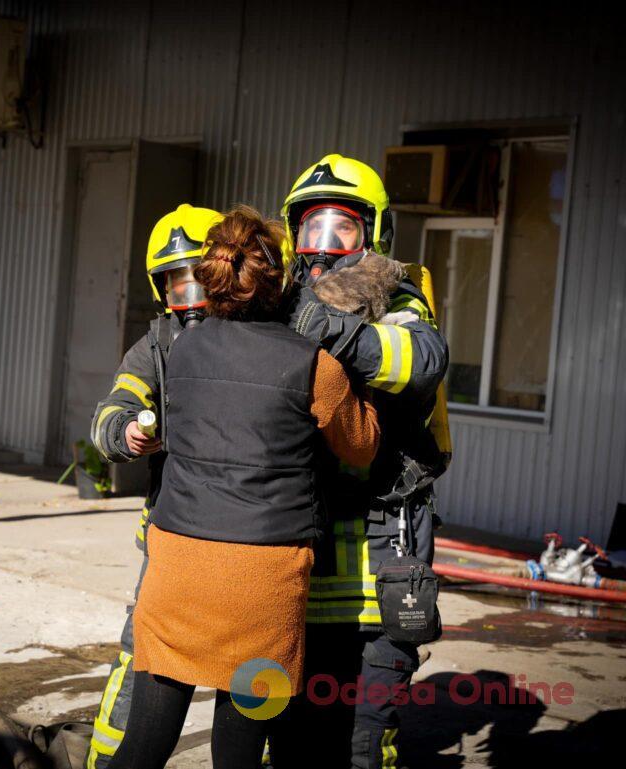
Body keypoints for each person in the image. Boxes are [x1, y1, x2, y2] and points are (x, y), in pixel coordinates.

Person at [105, 205, 380, 769]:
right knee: (239, 751)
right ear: (280, 284)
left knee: (144, 742)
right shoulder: (314, 365)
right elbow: (361, 447)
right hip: (264, 582)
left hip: (177, 566)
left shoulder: (178, 351)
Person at [274, 154, 451, 769]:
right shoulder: (283, 300)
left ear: (372, 234)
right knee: (291, 737)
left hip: (382, 544)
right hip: (303, 544)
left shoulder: (398, 297)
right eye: (309, 226)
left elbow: (422, 361)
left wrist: (335, 329)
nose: (321, 244)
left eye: (340, 226)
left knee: (362, 741)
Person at [86, 204, 222, 769]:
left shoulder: (265, 333)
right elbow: (111, 411)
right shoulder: (155, 346)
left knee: (258, 679)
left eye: (197, 274)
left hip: (255, 544)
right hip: (171, 540)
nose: (186, 291)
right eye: (173, 279)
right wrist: (124, 431)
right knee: (142, 658)